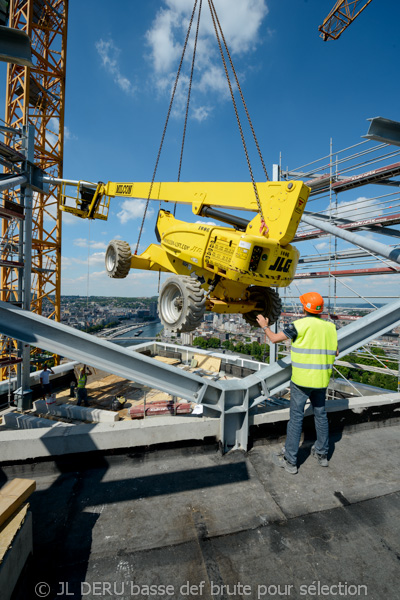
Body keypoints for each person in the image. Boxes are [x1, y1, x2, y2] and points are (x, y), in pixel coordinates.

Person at [256, 292, 338, 475]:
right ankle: (322, 455)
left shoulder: (298, 325)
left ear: (304, 308)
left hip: (301, 381)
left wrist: (265, 326)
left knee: (296, 418)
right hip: (321, 379)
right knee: (320, 415)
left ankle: (290, 461)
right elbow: (336, 351)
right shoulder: (330, 328)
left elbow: (275, 338)